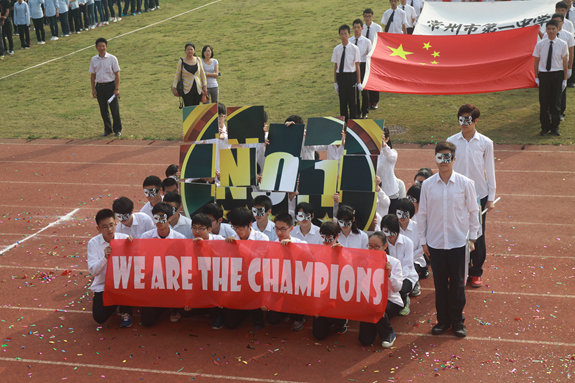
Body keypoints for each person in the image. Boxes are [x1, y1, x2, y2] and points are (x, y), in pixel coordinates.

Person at [418, 141, 480, 338]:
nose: (443, 162)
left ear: (454, 159)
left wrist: (472, 239)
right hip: (435, 243)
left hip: (458, 242)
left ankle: (457, 322)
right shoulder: (427, 185)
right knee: (440, 285)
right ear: (435, 159)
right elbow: (423, 215)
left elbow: (473, 212)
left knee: (457, 285)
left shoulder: (466, 183)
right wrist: (423, 240)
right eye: (439, 157)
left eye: (447, 158)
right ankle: (442, 321)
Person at [447, 104, 496, 288]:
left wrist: (490, 197)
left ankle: (476, 272)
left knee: (478, 234)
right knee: (457, 232)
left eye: (468, 120)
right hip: (457, 194)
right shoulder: (451, 141)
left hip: (478, 195)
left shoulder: (485, 143)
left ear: (475, 121)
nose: (464, 123)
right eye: (461, 119)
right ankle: (461, 270)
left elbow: (489, 171)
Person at [140, 202, 186, 326]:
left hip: (174, 282)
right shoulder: (145, 237)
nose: (159, 222)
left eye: (162, 218)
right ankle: (162, 306)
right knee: (146, 322)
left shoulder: (180, 238)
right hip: (154, 283)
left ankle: (173, 308)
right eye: (156, 218)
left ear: (170, 218)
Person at [223, 207, 268, 329]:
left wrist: (239, 247)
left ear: (250, 224)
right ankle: (245, 311)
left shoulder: (262, 238)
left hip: (256, 278)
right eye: (235, 227)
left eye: (241, 227)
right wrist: (228, 247)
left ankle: (257, 315)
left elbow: (259, 259)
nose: (238, 231)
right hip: (237, 279)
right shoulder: (232, 239)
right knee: (230, 324)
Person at [88, 209, 133, 327]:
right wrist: (105, 258)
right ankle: (113, 304)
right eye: (104, 227)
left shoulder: (125, 239)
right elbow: (93, 271)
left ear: (116, 224)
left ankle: (126, 311)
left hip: (123, 284)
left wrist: (133, 247)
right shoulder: (93, 243)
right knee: (99, 317)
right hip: (103, 286)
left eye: (111, 225)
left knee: (125, 285)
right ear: (98, 229)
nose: (109, 229)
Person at [358, 232, 403, 348]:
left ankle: (388, 333)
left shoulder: (394, 262)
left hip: (391, 301)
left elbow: (398, 288)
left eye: (376, 246)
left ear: (385, 246)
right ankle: (377, 324)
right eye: (370, 246)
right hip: (369, 304)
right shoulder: (363, 262)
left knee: (375, 306)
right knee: (365, 340)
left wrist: (389, 275)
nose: (372, 249)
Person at [264, 213, 307, 331]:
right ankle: (285, 312)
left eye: (283, 229)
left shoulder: (301, 244)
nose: (279, 232)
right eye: (276, 229)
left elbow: (307, 265)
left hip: (296, 286)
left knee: (298, 295)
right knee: (272, 320)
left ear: (291, 228)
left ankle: (298, 317)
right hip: (278, 285)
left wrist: (292, 248)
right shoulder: (271, 245)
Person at [312, 221, 348, 339]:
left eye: (329, 237)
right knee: (318, 335)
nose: (325, 241)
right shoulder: (317, 252)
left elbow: (350, 277)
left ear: (337, 236)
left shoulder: (344, 252)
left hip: (339, 298)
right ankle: (327, 318)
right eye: (322, 237)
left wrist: (340, 255)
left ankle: (341, 320)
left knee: (337, 319)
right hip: (322, 297)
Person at [533, 19, 568, 136]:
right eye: (549, 29)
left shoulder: (562, 44)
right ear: (546, 30)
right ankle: (545, 127)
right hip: (544, 75)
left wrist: (564, 79)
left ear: (558, 29)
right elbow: (536, 61)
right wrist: (536, 77)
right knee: (544, 103)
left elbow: (564, 62)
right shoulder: (540, 44)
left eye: (553, 28)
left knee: (555, 103)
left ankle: (555, 127)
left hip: (557, 74)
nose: (551, 31)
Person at [380, 214, 417, 316]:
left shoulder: (408, 242)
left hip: (406, 276)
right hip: (387, 276)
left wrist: (398, 280)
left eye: (393, 231)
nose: (390, 235)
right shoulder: (381, 243)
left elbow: (407, 266)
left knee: (401, 289)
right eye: (386, 231)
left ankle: (405, 298)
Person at [542, 14, 574, 122]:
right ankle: (550, 112)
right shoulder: (546, 36)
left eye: (558, 22)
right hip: (548, 69)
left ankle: (560, 111)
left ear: (562, 24)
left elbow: (571, 52)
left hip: (560, 68)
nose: (555, 24)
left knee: (560, 92)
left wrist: (569, 68)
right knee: (549, 94)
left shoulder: (568, 36)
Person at [90, 37, 123, 137]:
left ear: (106, 46)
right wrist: (93, 88)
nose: (101, 48)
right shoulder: (94, 59)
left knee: (114, 109)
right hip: (99, 87)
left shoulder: (112, 58)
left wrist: (116, 88)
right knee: (103, 110)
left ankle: (117, 130)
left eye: (103, 46)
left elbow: (117, 73)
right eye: (99, 46)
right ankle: (107, 129)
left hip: (110, 86)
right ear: (96, 47)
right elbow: (92, 75)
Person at [332, 24, 362, 121]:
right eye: (341, 34)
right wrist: (335, 82)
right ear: (339, 35)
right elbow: (336, 66)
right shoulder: (336, 49)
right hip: (341, 76)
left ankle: (353, 122)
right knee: (343, 102)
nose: (343, 36)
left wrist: (359, 82)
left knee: (352, 102)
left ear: (349, 34)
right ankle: (344, 123)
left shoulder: (354, 48)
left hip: (351, 76)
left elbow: (357, 65)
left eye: (345, 34)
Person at [395, 197, 427, 286]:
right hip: (397, 261)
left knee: (410, 270)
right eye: (399, 213)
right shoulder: (394, 228)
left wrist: (407, 259)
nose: (402, 217)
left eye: (405, 213)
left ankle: (414, 283)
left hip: (415, 260)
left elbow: (421, 249)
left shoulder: (418, 227)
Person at [171, 42, 208, 107]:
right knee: (188, 109)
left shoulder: (198, 60)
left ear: (194, 50)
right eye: (188, 49)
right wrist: (174, 87)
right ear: (185, 51)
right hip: (186, 89)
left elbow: (202, 74)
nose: (190, 51)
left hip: (198, 89)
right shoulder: (181, 61)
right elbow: (177, 75)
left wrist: (205, 86)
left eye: (191, 49)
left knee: (196, 108)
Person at [361, 8, 382, 111]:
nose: (367, 18)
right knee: (366, 79)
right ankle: (368, 101)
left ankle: (375, 101)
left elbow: (381, 42)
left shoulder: (377, 27)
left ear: (372, 17)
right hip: (364, 58)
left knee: (375, 79)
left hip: (374, 57)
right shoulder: (361, 28)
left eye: (369, 16)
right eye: (365, 16)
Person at [350, 19, 372, 119]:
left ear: (362, 28)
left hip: (363, 66)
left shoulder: (367, 41)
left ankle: (365, 112)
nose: (356, 29)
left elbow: (370, 56)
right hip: (353, 67)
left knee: (364, 91)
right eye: (355, 27)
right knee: (354, 91)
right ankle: (357, 112)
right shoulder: (350, 41)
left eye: (358, 27)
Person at [377, 128, 400, 215]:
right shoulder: (371, 153)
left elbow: (391, 156)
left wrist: (383, 145)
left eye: (382, 138)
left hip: (390, 193)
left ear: (387, 139)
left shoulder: (392, 152)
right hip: (376, 193)